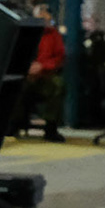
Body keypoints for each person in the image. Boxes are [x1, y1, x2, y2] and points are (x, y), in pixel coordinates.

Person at [21, 9, 68, 143]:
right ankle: (13, 123)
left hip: (45, 75)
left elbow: (59, 58)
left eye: (48, 20)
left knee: (58, 85)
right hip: (24, 74)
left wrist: (43, 67)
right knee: (13, 84)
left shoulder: (53, 35)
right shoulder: (24, 34)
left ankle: (51, 126)